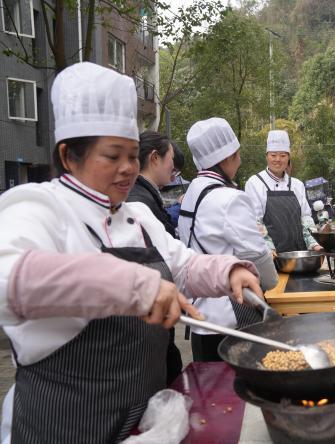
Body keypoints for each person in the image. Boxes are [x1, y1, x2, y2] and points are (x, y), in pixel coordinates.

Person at [0, 62, 262, 443]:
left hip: (145, 422)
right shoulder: (38, 207)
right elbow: (7, 280)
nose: (127, 169)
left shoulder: (136, 216)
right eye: (112, 156)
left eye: (132, 155)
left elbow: (184, 265)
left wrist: (227, 272)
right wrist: (132, 284)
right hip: (62, 427)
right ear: (70, 155)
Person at [178, 118, 278, 361]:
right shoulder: (228, 198)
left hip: (201, 315)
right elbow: (256, 253)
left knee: (213, 392)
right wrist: (272, 282)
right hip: (232, 316)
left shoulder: (192, 191)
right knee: (238, 386)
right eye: (237, 154)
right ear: (226, 157)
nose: (240, 160)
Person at [127, 130, 183, 385]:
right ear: (154, 158)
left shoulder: (148, 197)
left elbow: (177, 256)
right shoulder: (139, 202)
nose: (174, 168)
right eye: (170, 158)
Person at [244, 130, 322, 255]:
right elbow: (255, 221)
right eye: (273, 155)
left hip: (299, 253)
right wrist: (268, 247)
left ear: (289, 157)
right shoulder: (255, 183)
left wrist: (314, 243)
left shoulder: (297, 184)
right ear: (266, 156)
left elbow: (306, 218)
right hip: (270, 255)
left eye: (283, 155)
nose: (278, 160)